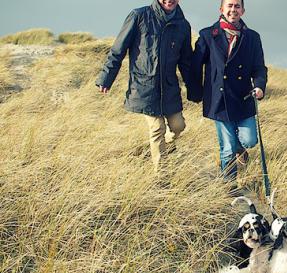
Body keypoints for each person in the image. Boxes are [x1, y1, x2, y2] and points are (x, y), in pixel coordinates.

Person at [96, 0, 193, 173]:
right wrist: (106, 77)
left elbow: (186, 62)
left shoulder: (183, 25)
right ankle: (161, 176)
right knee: (157, 129)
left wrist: (194, 88)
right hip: (145, 86)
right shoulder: (138, 16)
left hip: (169, 88)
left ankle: (166, 144)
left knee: (179, 126)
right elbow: (119, 49)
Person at [188, 0, 268, 192]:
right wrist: (196, 92)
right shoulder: (208, 34)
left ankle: (240, 149)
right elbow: (195, 65)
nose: (233, 10)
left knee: (250, 140)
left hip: (244, 97)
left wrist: (259, 86)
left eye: (237, 6)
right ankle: (229, 185)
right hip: (219, 99)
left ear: (243, 10)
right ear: (221, 9)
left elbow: (259, 67)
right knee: (227, 149)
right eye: (229, 6)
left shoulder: (252, 37)